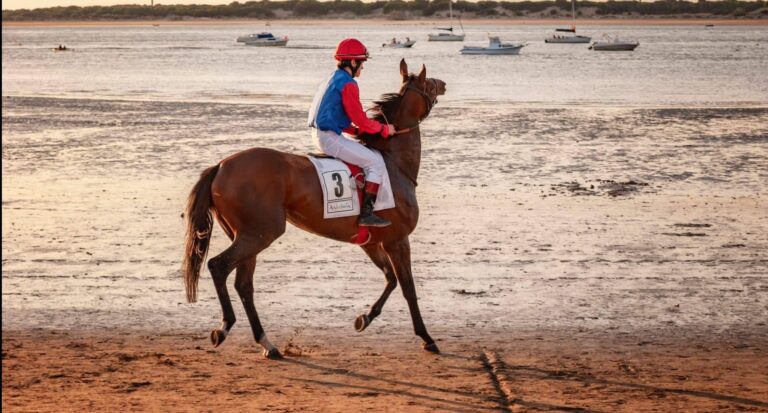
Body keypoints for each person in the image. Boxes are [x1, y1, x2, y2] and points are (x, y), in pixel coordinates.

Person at [307, 38, 396, 227]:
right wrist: (383, 128)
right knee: (376, 162)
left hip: (319, 135)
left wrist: (355, 131)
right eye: (361, 63)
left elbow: (334, 114)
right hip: (328, 138)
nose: (362, 68)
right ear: (353, 62)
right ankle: (366, 214)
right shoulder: (348, 83)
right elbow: (360, 118)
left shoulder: (331, 79)